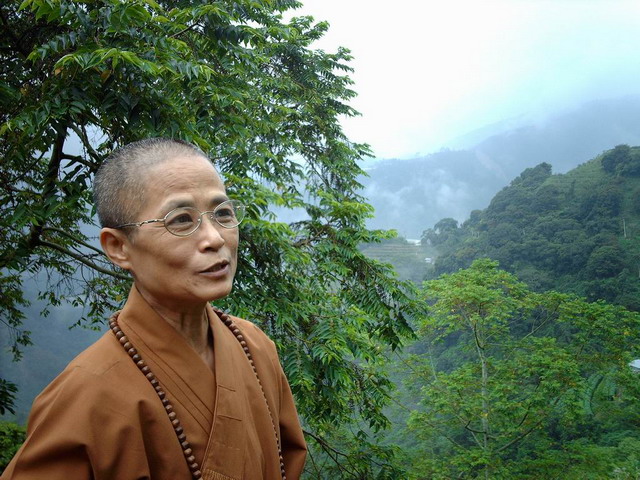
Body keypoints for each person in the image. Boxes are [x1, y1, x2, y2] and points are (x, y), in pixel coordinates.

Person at [2, 138, 307, 479]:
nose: (216, 238)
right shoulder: (87, 393)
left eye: (223, 213)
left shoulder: (255, 346)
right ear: (118, 247)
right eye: (181, 220)